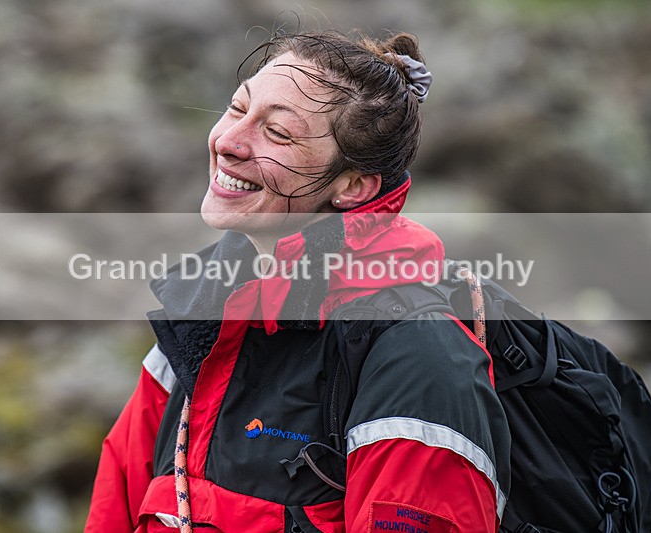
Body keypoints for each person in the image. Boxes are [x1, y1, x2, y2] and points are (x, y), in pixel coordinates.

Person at [86, 30, 511, 533]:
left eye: (278, 133)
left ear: (352, 187)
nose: (227, 141)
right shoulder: (199, 322)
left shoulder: (420, 365)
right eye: (236, 108)